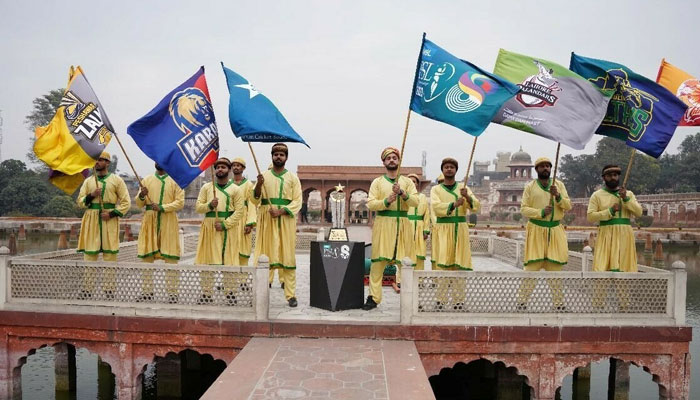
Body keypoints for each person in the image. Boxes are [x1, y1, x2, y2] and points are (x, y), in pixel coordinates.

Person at [363, 147, 418, 310]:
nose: (392, 160)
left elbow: (416, 202)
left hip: (402, 223)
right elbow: (371, 204)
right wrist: (386, 201)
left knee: (406, 262)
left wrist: (402, 193)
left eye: (394, 157)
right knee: (378, 262)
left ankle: (410, 298)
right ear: (384, 162)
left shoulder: (407, 182)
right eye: (388, 158)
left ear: (399, 161)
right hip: (383, 223)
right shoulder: (377, 182)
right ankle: (373, 297)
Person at [517, 157, 572, 311]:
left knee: (555, 269)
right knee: (531, 269)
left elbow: (568, 205)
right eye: (542, 166)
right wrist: (540, 212)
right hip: (536, 230)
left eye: (548, 166)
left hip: (554, 231)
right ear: (536, 169)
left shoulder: (559, 185)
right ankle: (522, 302)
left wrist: (558, 196)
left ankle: (559, 304)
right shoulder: (530, 186)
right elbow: (524, 209)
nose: (545, 168)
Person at [251, 143, 302, 307]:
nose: (278, 157)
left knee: (287, 255)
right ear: (272, 156)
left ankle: (290, 295)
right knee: (265, 254)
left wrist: (281, 211)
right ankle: (262, 290)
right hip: (267, 221)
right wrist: (258, 185)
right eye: (276, 154)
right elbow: (254, 200)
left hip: (285, 221)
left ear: (286, 158)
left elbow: (297, 201)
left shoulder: (293, 178)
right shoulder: (263, 175)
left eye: (282, 154)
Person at [587, 164, 643, 309]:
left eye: (616, 175)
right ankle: (597, 306)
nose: (613, 177)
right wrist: (609, 211)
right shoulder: (597, 195)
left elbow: (638, 213)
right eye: (610, 175)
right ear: (604, 178)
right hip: (606, 234)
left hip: (624, 236)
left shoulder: (628, 194)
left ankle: (624, 306)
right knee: (601, 270)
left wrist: (626, 200)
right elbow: (591, 216)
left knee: (623, 271)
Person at [76, 151, 131, 298]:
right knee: (90, 255)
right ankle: (87, 289)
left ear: (107, 163)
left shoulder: (117, 180)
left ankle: (109, 290)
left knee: (110, 255)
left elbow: (126, 203)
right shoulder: (89, 181)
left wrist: (112, 214)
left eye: (101, 160)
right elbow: (80, 202)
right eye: (96, 160)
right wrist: (92, 195)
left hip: (109, 220)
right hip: (92, 219)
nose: (98, 162)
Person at [430, 158, 480, 310]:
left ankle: (459, 301)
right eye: (446, 167)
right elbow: (437, 207)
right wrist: (453, 204)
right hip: (444, 228)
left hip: (460, 228)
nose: (449, 169)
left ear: (456, 170)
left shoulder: (463, 187)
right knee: (443, 265)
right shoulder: (436, 189)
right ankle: (441, 300)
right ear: (443, 170)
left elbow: (476, 207)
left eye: (452, 167)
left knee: (459, 265)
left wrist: (467, 197)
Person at [194, 157, 245, 304]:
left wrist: (225, 224)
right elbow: (198, 207)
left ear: (228, 170)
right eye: (218, 167)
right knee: (208, 259)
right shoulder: (207, 188)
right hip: (210, 227)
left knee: (229, 260)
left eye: (223, 167)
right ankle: (206, 293)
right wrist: (210, 205)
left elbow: (239, 211)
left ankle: (230, 292)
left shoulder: (235, 189)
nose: (220, 169)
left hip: (228, 228)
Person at [135, 163, 185, 303]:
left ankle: (173, 293)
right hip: (150, 220)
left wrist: (163, 207)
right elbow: (139, 204)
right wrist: (142, 196)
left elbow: (180, 203)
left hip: (168, 220)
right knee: (147, 256)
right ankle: (147, 292)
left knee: (171, 257)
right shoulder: (147, 180)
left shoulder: (176, 180)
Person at [230, 157, 257, 266]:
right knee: (231, 249)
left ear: (243, 168)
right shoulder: (228, 184)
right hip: (231, 218)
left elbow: (251, 204)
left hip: (243, 218)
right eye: (234, 165)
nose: (236, 167)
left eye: (238, 165)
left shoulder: (248, 184)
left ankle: (243, 280)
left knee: (243, 249)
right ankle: (231, 279)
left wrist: (249, 223)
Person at [407, 173, 431, 271]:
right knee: (405, 252)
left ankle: (419, 278)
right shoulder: (403, 197)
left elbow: (426, 214)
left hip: (419, 228)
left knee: (419, 252)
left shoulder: (422, 197)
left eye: (414, 181)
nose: (412, 183)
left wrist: (426, 230)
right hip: (407, 226)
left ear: (417, 184)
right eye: (410, 181)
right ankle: (401, 279)